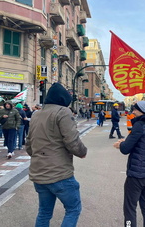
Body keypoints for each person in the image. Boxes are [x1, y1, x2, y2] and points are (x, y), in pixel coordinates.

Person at [26, 82, 87, 227]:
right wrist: (82, 152)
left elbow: (29, 145)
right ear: (63, 100)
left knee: (44, 212)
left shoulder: (36, 114)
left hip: (39, 174)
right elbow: (72, 141)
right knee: (73, 208)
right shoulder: (63, 112)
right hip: (59, 174)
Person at [113, 101, 145, 227]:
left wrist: (120, 144)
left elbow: (126, 149)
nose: (133, 112)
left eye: (135, 110)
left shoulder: (140, 125)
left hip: (137, 174)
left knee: (130, 207)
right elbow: (143, 143)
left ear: (142, 111)